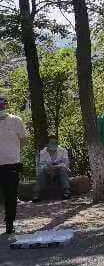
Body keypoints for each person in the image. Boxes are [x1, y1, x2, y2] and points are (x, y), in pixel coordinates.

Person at [0, 95, 27, 236]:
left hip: (12, 164)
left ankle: (9, 224)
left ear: (7, 106)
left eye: (2, 105)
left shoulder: (16, 120)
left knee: (11, 196)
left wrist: (14, 152)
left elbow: (24, 140)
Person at [33, 135, 71, 201]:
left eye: (56, 143)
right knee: (41, 172)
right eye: (52, 143)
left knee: (62, 169)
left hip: (60, 170)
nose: (54, 144)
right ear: (47, 144)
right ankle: (37, 195)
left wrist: (55, 167)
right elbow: (41, 165)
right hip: (48, 171)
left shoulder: (63, 151)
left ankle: (66, 192)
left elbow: (66, 164)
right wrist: (48, 168)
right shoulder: (43, 152)